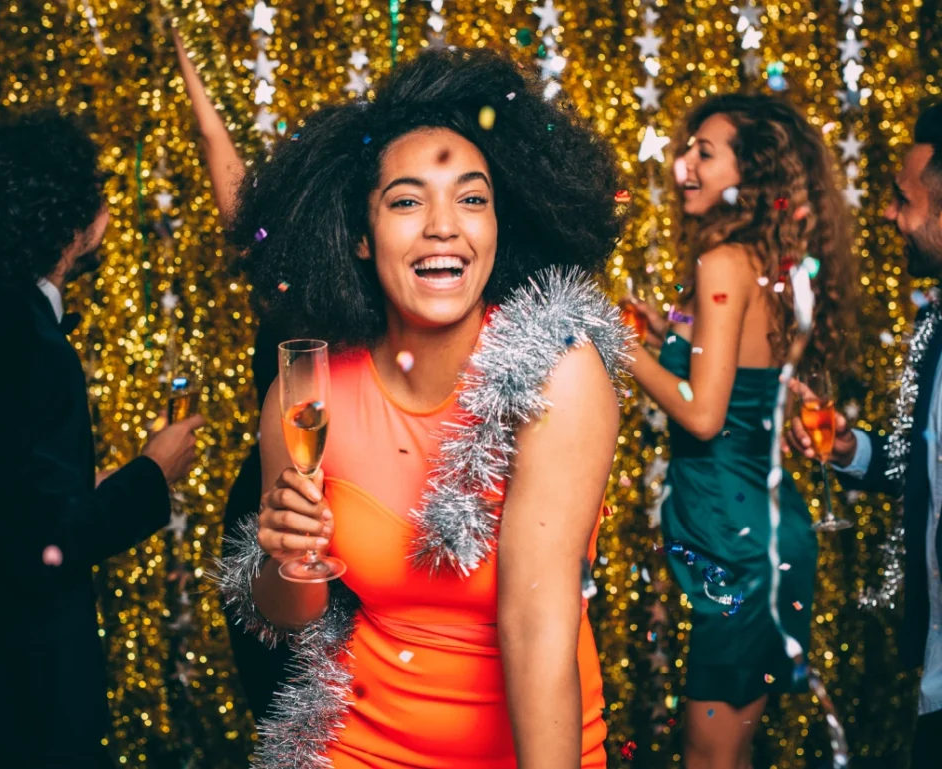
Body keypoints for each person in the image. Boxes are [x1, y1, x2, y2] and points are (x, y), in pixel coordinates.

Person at [218, 48, 627, 768]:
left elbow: (536, 626)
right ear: (359, 234)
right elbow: (292, 616)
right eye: (407, 200)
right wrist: (285, 557)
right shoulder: (307, 389)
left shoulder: (560, 372)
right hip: (357, 749)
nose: (444, 224)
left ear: (502, 228)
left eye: (472, 198)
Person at [0, 110, 204, 769]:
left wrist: (79, 491)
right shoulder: (35, 347)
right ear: (83, 223)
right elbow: (43, 547)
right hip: (25, 698)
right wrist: (151, 473)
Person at [624, 94, 857, 769]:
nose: (682, 166)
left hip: (735, 544)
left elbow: (703, 412)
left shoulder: (723, 263)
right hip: (757, 533)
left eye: (704, 152)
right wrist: (667, 338)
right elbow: (736, 376)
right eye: (685, 150)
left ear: (750, 173)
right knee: (728, 749)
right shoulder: (759, 258)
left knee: (709, 756)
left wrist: (620, 345)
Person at [788, 101, 942, 767]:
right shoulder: (935, 326)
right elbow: (925, 468)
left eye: (902, 199)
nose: (889, 216)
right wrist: (850, 450)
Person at [172, 29, 295, 720]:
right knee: (282, 722)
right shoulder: (285, 283)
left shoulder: (392, 298)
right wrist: (186, 54)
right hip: (265, 523)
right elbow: (225, 166)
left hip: (355, 535)